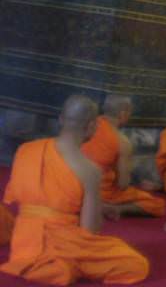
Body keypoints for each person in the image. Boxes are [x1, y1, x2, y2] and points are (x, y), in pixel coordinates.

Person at [1, 95, 149, 284]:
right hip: (63, 241)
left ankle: (52, 264)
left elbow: (32, 199)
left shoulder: (26, 150)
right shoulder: (89, 170)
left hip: (23, 242)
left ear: (61, 119)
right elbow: (90, 230)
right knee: (136, 263)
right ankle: (59, 263)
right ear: (92, 126)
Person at [81, 95, 165, 218]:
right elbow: (123, 184)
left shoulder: (87, 127)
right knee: (157, 204)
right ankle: (118, 209)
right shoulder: (122, 142)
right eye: (130, 112)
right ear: (123, 114)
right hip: (100, 192)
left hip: (74, 186)